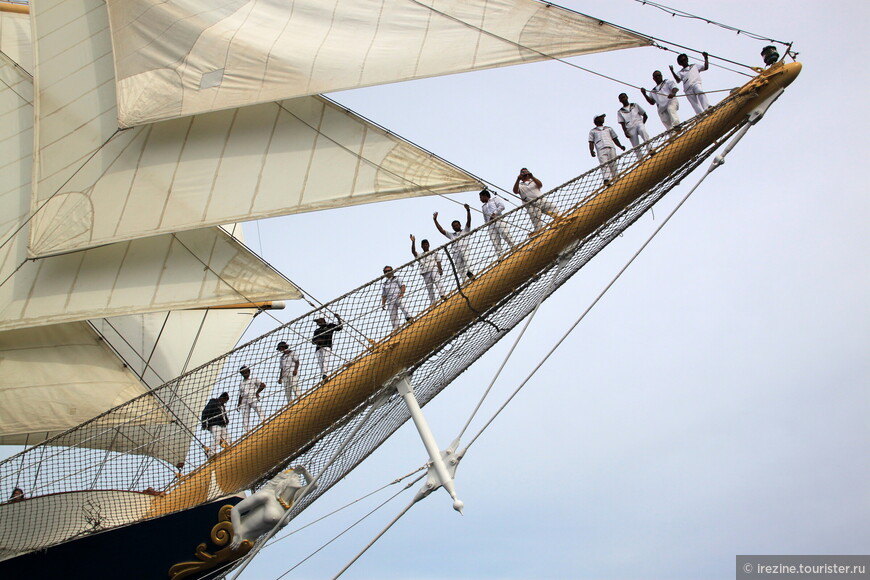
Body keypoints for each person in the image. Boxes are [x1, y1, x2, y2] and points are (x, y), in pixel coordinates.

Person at [433, 204, 474, 280]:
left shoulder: (465, 231)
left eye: (457, 225)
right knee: (460, 268)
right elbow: (441, 230)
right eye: (454, 226)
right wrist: (435, 220)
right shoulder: (451, 235)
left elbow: (469, 221)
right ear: (452, 227)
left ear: (460, 225)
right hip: (456, 253)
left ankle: (471, 273)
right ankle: (465, 281)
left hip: (464, 249)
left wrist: (468, 210)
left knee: (468, 261)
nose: (455, 227)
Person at [513, 167, 557, 232]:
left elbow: (540, 185)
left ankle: (559, 219)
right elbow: (515, 191)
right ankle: (539, 232)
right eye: (524, 174)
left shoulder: (533, 181)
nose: (526, 175)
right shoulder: (520, 185)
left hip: (541, 200)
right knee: (537, 222)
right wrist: (518, 179)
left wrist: (532, 177)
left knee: (553, 208)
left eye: (527, 173)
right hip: (531, 205)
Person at [588, 114, 626, 185]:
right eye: (601, 117)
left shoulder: (608, 128)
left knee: (613, 164)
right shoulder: (593, 131)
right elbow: (591, 142)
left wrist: (620, 146)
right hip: (601, 149)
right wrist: (591, 150)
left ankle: (616, 179)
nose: (602, 119)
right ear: (596, 120)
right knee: (604, 164)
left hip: (611, 147)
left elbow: (614, 138)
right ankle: (607, 179)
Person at [411, 234, 446, 305]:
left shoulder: (434, 252)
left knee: (437, 281)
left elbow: (438, 261)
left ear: (428, 245)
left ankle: (443, 295)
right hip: (425, 271)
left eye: (426, 244)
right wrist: (413, 242)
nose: (425, 246)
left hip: (434, 269)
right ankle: (433, 302)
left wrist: (440, 269)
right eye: (423, 245)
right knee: (429, 287)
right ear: (421, 246)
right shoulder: (420, 255)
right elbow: (414, 252)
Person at [479, 189, 514, 256]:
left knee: (505, 234)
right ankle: (500, 255)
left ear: (485, 195)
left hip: (498, 219)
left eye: (481, 197)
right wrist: (487, 224)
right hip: (490, 224)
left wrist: (494, 213)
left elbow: (502, 206)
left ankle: (513, 247)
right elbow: (485, 217)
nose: (480, 199)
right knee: (494, 240)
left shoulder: (495, 199)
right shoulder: (483, 207)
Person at [617, 92, 650, 161]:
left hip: (638, 123)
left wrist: (642, 123)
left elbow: (645, 115)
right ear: (620, 101)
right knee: (635, 144)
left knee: (642, 131)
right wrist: (625, 131)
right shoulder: (620, 111)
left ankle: (650, 149)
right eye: (621, 98)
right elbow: (622, 123)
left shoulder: (635, 105)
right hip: (630, 127)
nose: (623, 99)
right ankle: (640, 159)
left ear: (627, 97)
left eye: (624, 97)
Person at [312, 315, 343, 381]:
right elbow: (313, 341)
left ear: (322, 319)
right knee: (321, 363)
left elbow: (340, 327)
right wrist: (317, 341)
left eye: (318, 321)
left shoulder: (330, 326)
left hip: (326, 346)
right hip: (318, 348)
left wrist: (338, 318)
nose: (317, 323)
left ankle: (325, 375)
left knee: (325, 360)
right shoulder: (317, 331)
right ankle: (324, 374)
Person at [381, 265, 412, 330]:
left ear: (392, 271)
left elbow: (402, 286)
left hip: (397, 296)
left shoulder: (397, 278)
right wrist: (383, 303)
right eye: (386, 271)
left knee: (403, 307)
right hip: (390, 301)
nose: (388, 272)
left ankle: (409, 318)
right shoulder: (384, 284)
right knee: (393, 315)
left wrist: (401, 293)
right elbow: (384, 295)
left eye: (389, 271)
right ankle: (396, 329)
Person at [237, 365, 266, 432]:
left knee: (259, 409)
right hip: (244, 400)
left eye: (245, 372)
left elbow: (263, 385)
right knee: (245, 417)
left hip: (252, 397)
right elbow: (241, 394)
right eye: (243, 373)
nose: (244, 374)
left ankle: (265, 422)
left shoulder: (254, 378)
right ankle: (247, 431)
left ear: (249, 371)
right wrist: (239, 403)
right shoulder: (241, 383)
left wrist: (257, 392)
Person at [200, 392, 230, 457]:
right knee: (217, 438)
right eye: (225, 401)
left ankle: (229, 447)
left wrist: (226, 419)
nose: (225, 402)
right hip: (214, 424)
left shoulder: (221, 405)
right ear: (222, 398)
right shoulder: (213, 403)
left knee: (227, 437)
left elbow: (223, 413)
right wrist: (204, 424)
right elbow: (204, 412)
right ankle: (211, 453)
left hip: (222, 424)